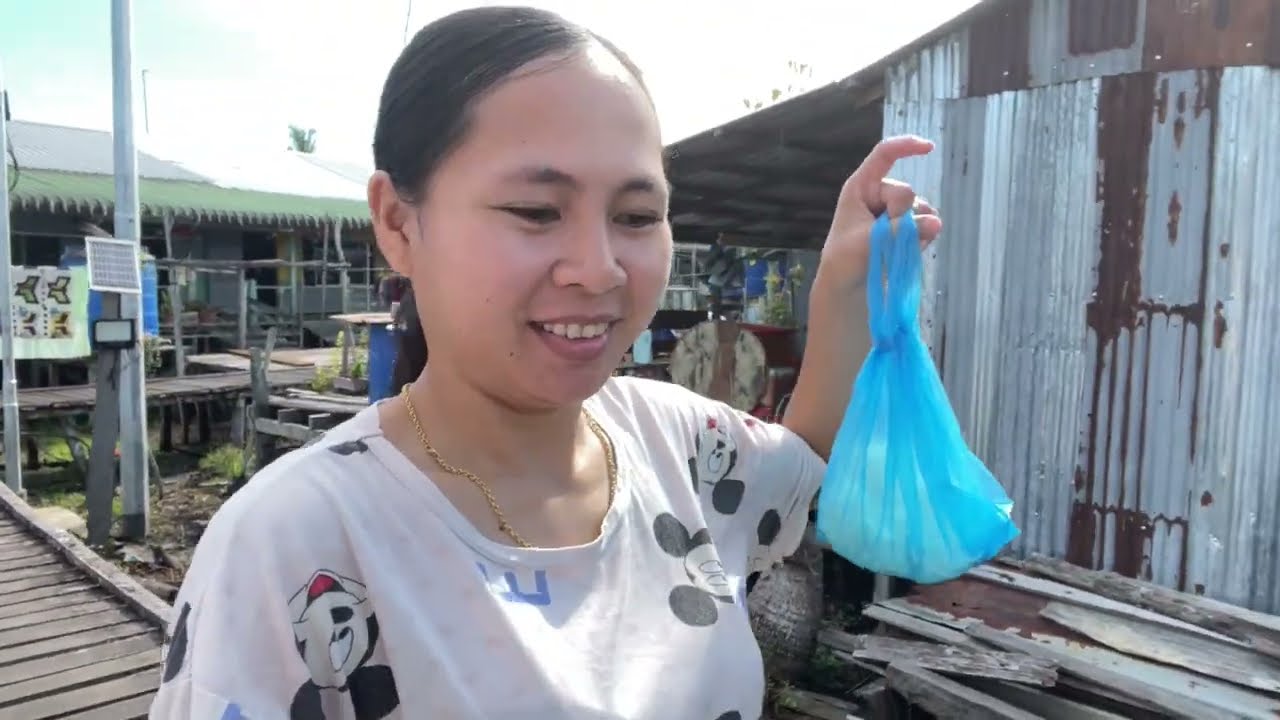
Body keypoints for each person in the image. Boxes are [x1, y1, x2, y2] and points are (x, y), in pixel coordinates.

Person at [148, 7, 941, 720]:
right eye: (535, 211)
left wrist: (844, 284)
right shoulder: (296, 545)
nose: (599, 269)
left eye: (637, 215)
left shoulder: (678, 442)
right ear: (397, 223)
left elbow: (807, 464)